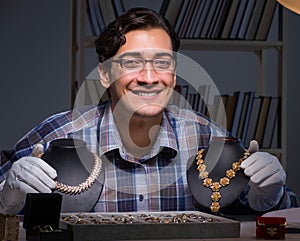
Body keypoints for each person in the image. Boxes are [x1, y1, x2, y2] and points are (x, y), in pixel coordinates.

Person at [0, 7, 298, 215]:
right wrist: (6, 197)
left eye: (162, 62)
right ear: (105, 74)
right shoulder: (60, 133)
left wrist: (271, 197)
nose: (149, 76)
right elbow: (7, 197)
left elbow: (276, 214)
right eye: (131, 63)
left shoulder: (207, 136)